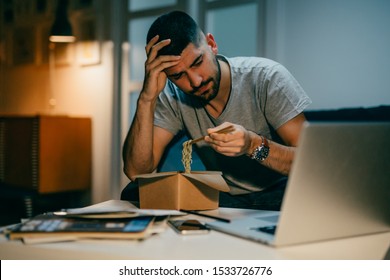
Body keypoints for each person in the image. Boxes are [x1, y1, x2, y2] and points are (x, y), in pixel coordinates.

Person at [121, 11, 311, 210]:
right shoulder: (172, 95)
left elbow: (308, 163)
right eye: (178, 76)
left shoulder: (267, 78)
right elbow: (136, 172)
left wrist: (252, 144)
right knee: (132, 193)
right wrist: (146, 98)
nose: (195, 81)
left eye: (197, 62)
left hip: (282, 193)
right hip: (225, 198)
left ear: (211, 44)